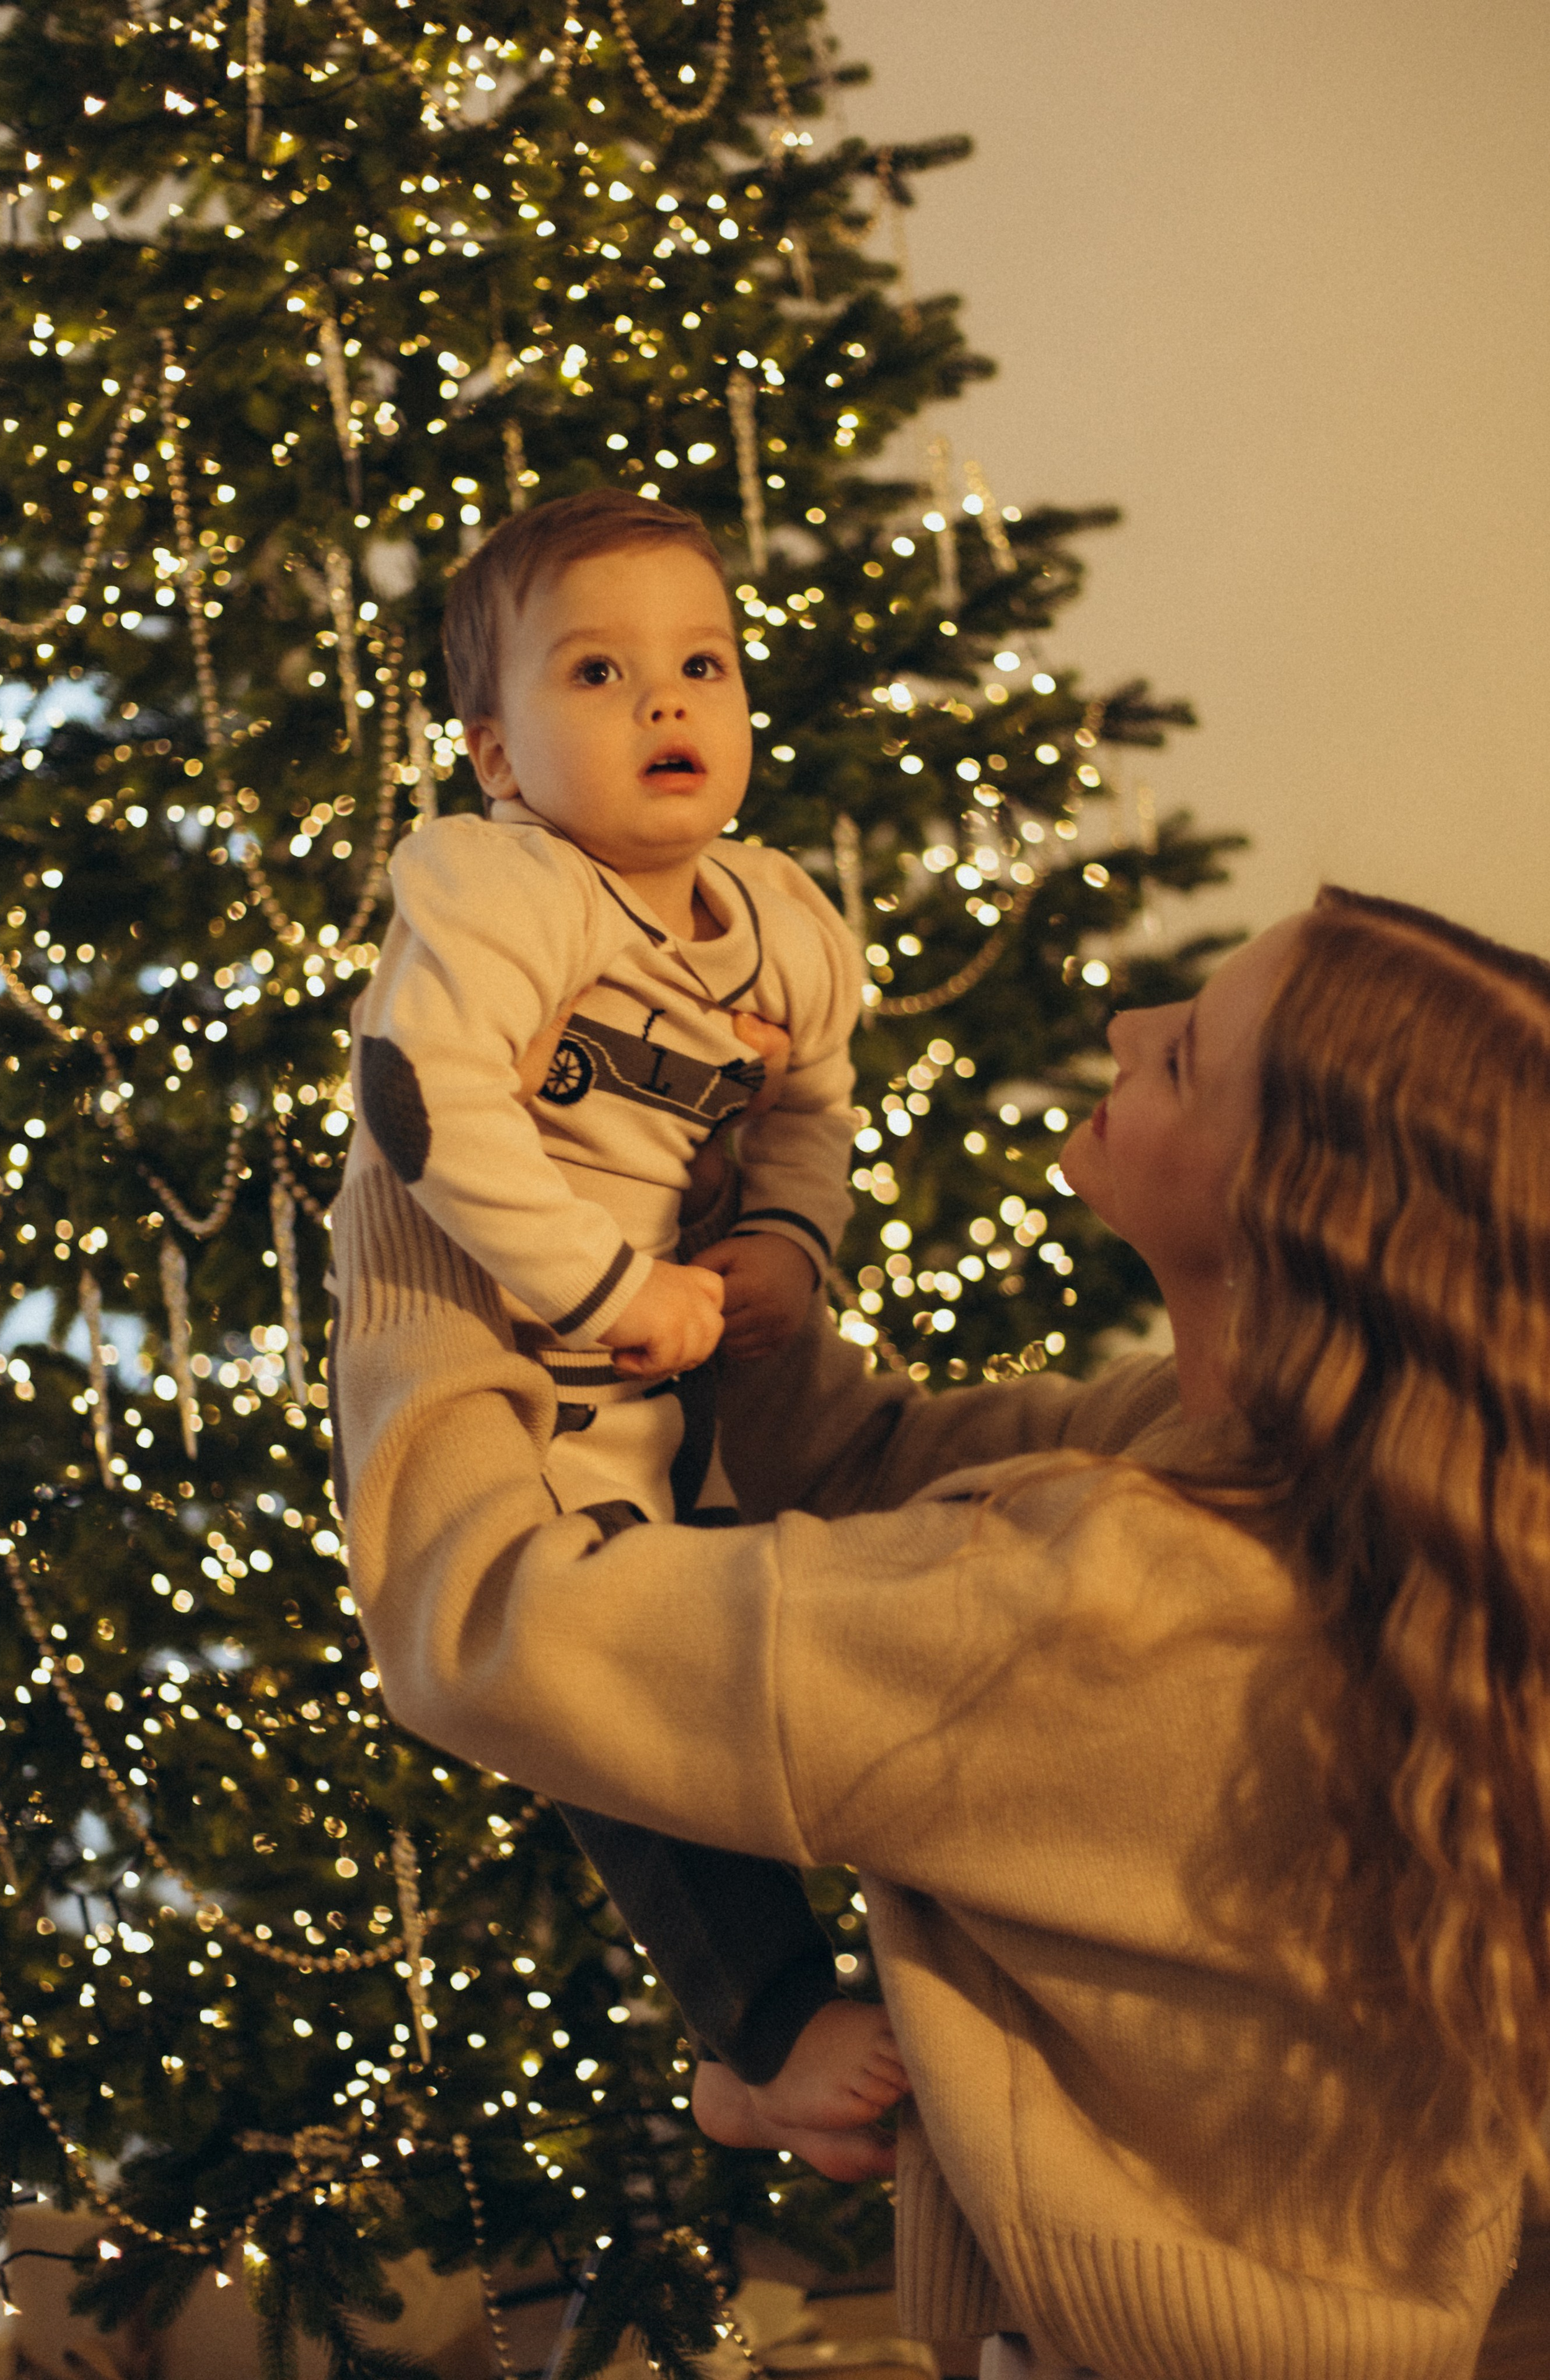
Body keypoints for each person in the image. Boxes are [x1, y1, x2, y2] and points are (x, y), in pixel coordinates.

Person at [332, 884, 1549, 2378]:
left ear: (1289, 1211)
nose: (1123, 1024)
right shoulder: (1335, 1488)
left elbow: (480, 1626)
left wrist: (421, 1193)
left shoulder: (1097, 1598)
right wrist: (691, 1208)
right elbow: (864, 1470)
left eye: (1180, 1062)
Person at [343, 485, 905, 2175]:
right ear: (497, 752)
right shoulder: (502, 887)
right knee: (608, 1685)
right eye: (596, 673)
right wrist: (605, 1288)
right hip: (519, 1370)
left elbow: (813, 1108)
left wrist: (789, 1247)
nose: (668, 702)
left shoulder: (785, 921)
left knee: (765, 1658)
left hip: (691, 1387)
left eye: (703, 665)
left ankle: (775, 2027)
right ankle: (764, 2028)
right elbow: (425, 1099)